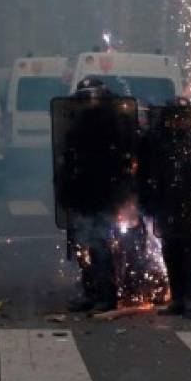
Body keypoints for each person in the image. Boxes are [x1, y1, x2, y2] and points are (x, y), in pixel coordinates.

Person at [139, 97, 191, 319]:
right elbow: (144, 172)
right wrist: (147, 200)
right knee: (172, 251)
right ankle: (178, 299)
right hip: (166, 202)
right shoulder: (155, 138)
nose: (180, 121)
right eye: (176, 117)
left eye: (183, 116)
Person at [58, 77, 133, 313]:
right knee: (83, 248)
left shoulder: (115, 126)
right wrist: (65, 191)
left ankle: (106, 296)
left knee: (100, 247)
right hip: (82, 197)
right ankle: (91, 293)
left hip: (102, 196)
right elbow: (68, 164)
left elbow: (123, 164)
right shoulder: (76, 126)